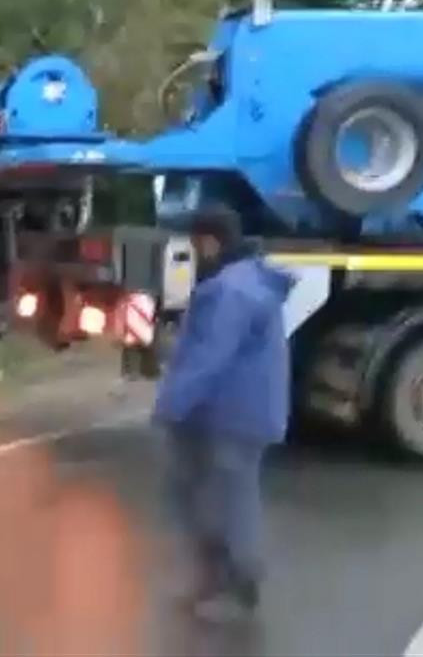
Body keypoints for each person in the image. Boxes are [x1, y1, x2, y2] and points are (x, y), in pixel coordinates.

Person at [153, 204, 294, 622]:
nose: (193, 249)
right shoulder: (248, 279)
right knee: (220, 492)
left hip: (227, 412)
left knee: (199, 492)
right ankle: (227, 572)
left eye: (195, 241)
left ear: (210, 240)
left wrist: (171, 405)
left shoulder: (228, 291)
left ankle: (233, 571)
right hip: (243, 410)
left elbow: (208, 358)